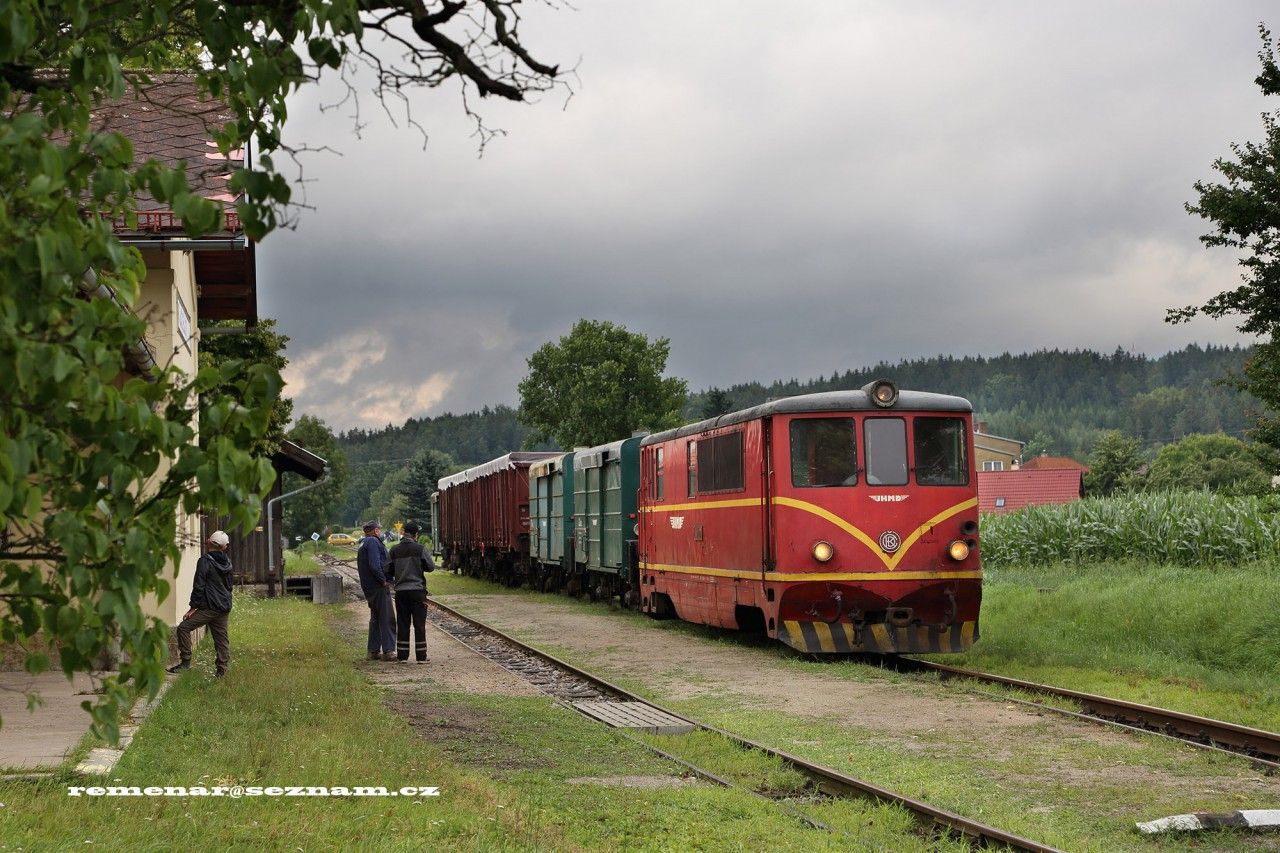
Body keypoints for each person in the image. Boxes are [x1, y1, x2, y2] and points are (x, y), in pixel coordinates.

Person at [168, 530, 234, 678]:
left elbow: (199, 586)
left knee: (183, 628)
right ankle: (222, 671)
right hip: (224, 607)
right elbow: (230, 586)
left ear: (208, 542)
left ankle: (185, 663)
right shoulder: (228, 562)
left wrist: (193, 608)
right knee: (221, 639)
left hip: (209, 607)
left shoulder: (205, 561)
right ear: (224, 547)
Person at [389, 521, 436, 663]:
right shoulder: (420, 549)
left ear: (403, 533)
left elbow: (387, 569)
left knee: (403, 623)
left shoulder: (394, 550)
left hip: (401, 592)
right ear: (416, 534)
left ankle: (402, 656)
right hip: (417, 591)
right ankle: (421, 657)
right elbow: (431, 567)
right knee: (419, 624)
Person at [356, 521, 395, 661]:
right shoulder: (373, 542)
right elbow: (374, 564)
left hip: (369, 587)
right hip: (378, 586)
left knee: (376, 618)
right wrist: (383, 580)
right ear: (375, 531)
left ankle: (373, 651)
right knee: (387, 617)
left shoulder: (364, 542)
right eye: (379, 529)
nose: (380, 531)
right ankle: (389, 651)